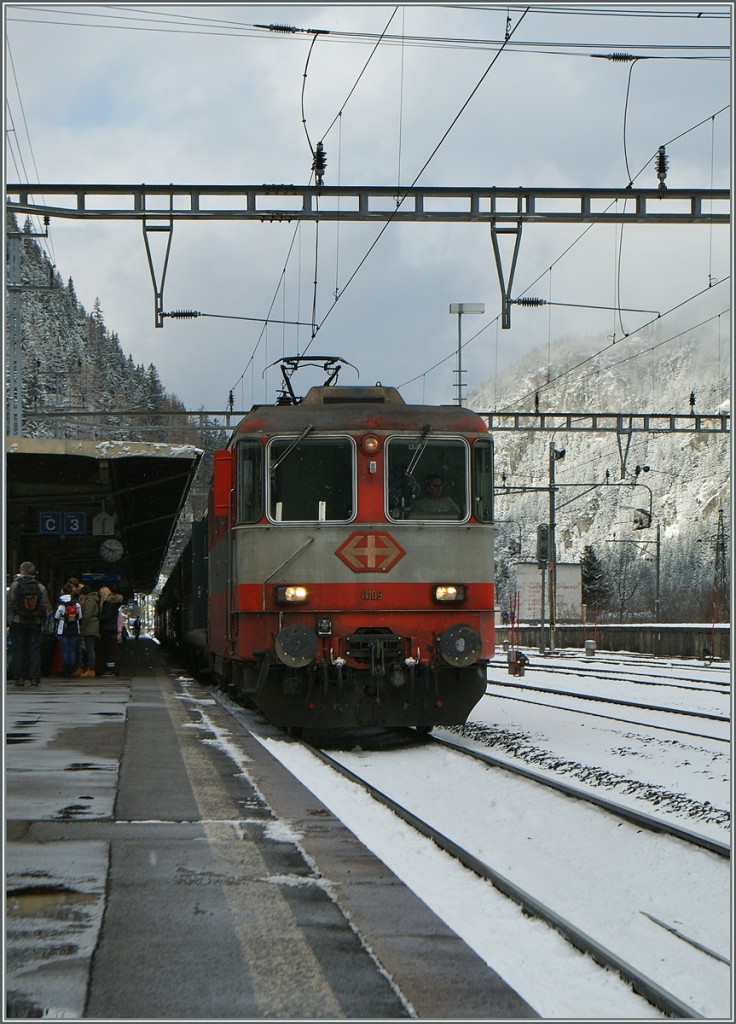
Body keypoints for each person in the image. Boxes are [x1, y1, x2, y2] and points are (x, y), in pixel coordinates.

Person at [6, 561, 50, 687]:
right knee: (34, 650)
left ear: (22, 571)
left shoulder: (15, 586)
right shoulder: (40, 587)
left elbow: (10, 604)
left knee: (18, 650)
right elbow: (44, 605)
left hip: (18, 621)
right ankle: (34, 678)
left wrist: (11, 620)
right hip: (34, 622)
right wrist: (38, 617)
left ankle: (20, 677)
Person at [54, 589, 83, 678]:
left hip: (63, 629)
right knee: (73, 649)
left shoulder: (61, 606)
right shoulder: (77, 605)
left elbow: (56, 617)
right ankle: (72, 669)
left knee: (65, 650)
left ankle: (65, 669)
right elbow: (80, 617)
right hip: (75, 630)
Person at [98, 587, 123, 675]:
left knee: (107, 649)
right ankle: (111, 668)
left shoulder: (109, 604)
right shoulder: (113, 604)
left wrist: (98, 619)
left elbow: (107, 616)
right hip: (110, 627)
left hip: (107, 628)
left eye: (101, 594)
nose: (100, 596)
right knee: (109, 649)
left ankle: (109, 669)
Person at [77, 585, 100, 678]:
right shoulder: (92, 600)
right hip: (92, 626)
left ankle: (91, 669)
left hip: (90, 627)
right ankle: (89, 668)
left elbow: (87, 615)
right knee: (89, 648)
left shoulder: (89, 601)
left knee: (90, 648)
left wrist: (83, 626)